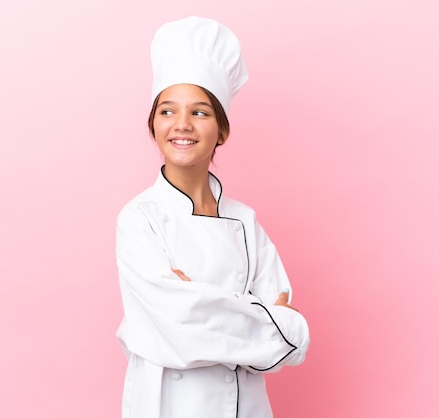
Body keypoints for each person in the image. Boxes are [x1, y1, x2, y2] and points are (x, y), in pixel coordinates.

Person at [115, 16, 310, 418]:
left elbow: (273, 331)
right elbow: (179, 323)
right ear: (153, 124)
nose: (181, 125)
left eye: (200, 113)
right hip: (168, 406)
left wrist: (202, 302)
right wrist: (262, 318)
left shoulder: (246, 222)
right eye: (167, 111)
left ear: (222, 130)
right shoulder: (139, 219)